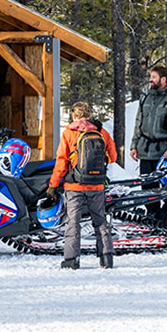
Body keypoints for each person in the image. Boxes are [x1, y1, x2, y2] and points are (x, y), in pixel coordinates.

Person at [46, 101, 117, 270]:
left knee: (73, 222)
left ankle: (71, 260)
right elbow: (113, 157)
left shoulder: (68, 134)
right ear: (90, 115)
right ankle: (106, 258)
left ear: (74, 115)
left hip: (74, 186)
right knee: (100, 220)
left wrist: (53, 185)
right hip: (97, 185)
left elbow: (61, 163)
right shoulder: (102, 132)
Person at [129, 65, 167, 227]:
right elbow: (138, 123)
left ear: (163, 79)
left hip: (165, 154)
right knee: (148, 191)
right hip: (145, 152)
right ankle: (152, 221)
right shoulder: (145, 98)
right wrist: (134, 145)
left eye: (154, 77)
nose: (150, 80)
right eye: (150, 77)